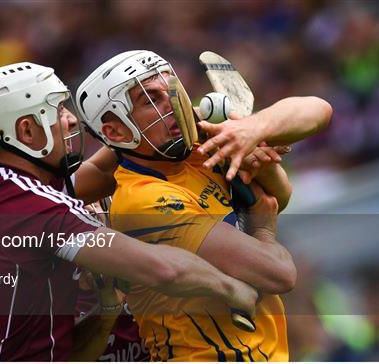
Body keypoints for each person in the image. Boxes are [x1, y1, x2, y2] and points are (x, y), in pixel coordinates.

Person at [0, 62, 259, 361]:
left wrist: (167, 124)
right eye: (57, 111)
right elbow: (164, 269)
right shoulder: (33, 208)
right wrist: (232, 287)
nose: (71, 120)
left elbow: (90, 174)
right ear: (26, 132)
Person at [76, 50, 332, 361]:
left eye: (170, 90)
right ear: (116, 131)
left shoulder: (197, 144)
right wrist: (263, 229)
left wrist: (254, 129)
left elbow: (318, 110)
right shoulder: (145, 199)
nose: (172, 104)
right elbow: (280, 274)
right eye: (150, 100)